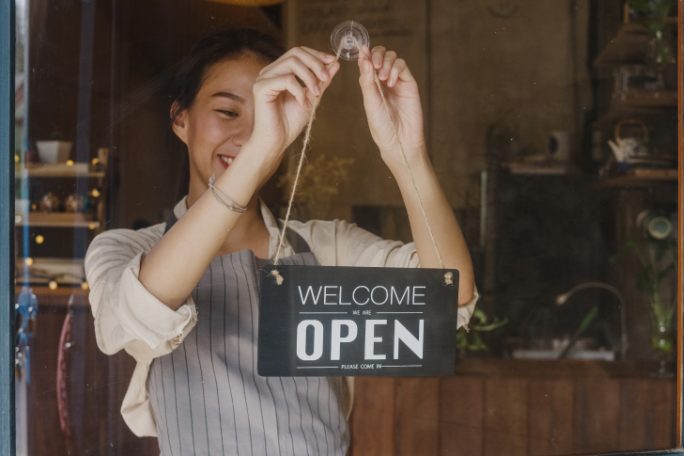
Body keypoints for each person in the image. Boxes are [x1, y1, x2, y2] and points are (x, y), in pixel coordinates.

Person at [85, 27, 477, 456]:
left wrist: (407, 155)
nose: (250, 132)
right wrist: (257, 152)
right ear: (181, 119)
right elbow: (139, 313)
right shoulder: (124, 251)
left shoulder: (326, 247)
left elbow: (445, 299)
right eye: (228, 112)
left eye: (265, 114)